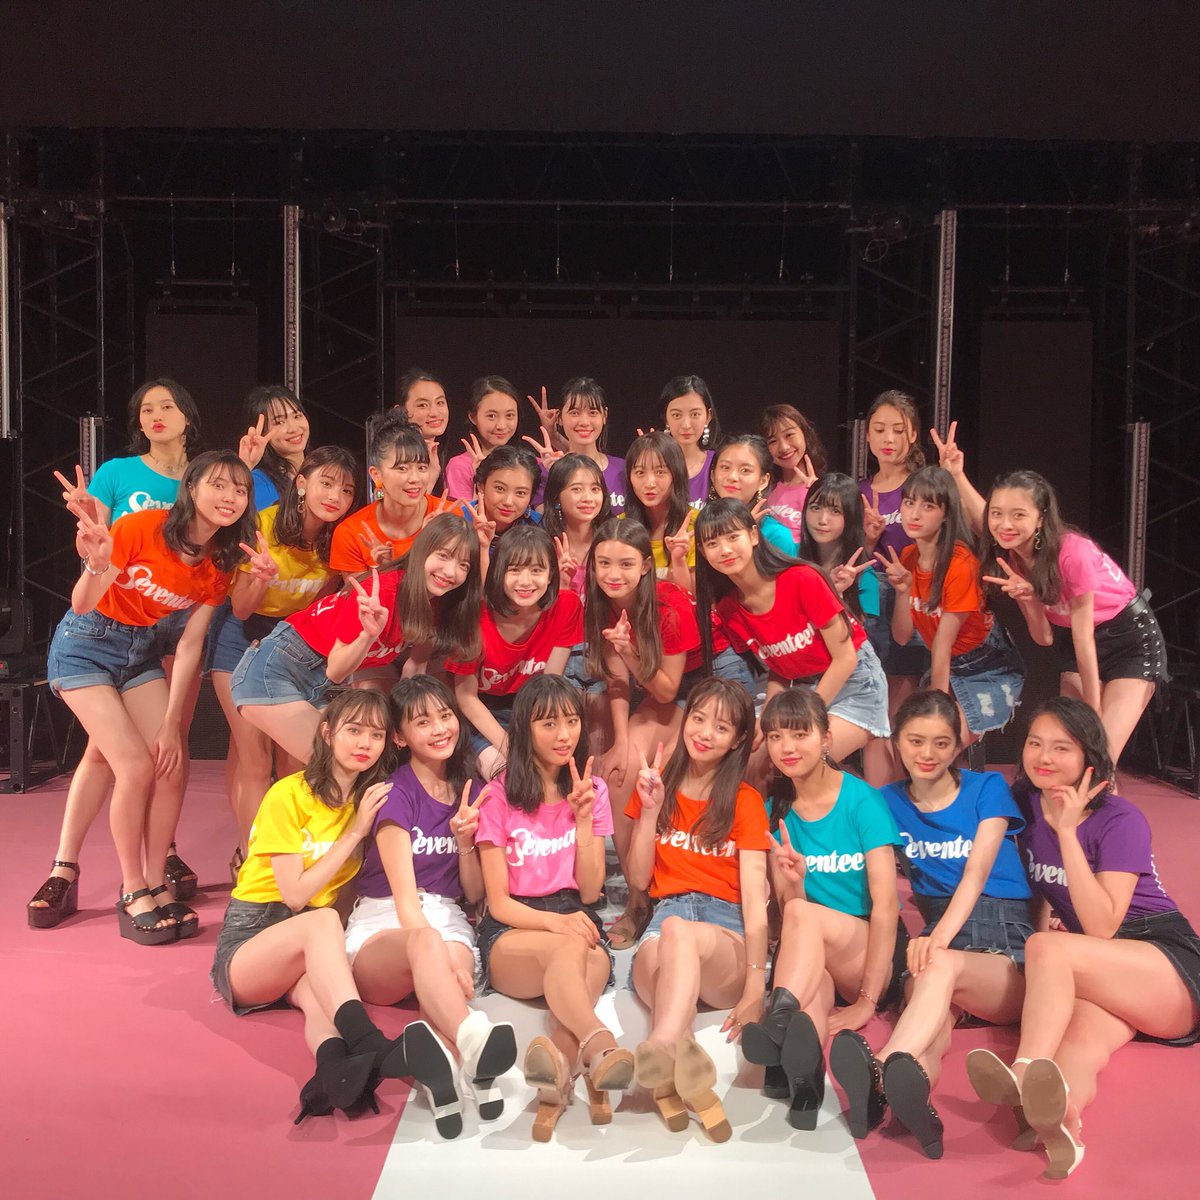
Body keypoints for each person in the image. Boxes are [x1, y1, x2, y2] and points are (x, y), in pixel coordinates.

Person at [966, 697, 1200, 1180]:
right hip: (1105, 969)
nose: (1043, 757)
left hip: (1163, 962)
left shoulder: (1120, 819)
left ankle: (1023, 1070)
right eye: (1034, 743)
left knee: (1046, 947)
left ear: (1089, 758)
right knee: (1076, 1047)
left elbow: (1103, 927)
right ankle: (1062, 1125)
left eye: (1061, 748)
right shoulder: (1027, 805)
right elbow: (1040, 891)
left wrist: (1069, 834)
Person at [35, 451, 256, 942]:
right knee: (134, 767)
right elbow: (81, 604)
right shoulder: (141, 528)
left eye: (240, 490)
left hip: (141, 652)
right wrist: (97, 564)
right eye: (218, 485)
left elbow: (191, 643)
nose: (230, 497)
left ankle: (157, 880)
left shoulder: (221, 561)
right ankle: (132, 888)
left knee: (168, 761)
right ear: (191, 488)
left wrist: (174, 722)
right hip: (86, 646)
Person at [211, 688, 457, 1125]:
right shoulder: (288, 795)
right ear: (327, 733)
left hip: (306, 945)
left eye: (376, 735)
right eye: (354, 731)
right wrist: (355, 832)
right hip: (252, 941)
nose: (365, 743)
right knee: (322, 921)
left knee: (318, 1001)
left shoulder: (367, 799)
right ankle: (371, 1042)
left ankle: (330, 1073)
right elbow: (295, 896)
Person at [31, 379, 206, 923]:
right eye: (146, 409)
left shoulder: (204, 480)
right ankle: (67, 868)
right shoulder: (117, 473)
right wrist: (89, 520)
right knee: (111, 754)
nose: (156, 415)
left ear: (188, 416)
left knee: (167, 751)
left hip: (168, 624)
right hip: (106, 618)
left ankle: (160, 858)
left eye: (167, 406)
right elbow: (98, 549)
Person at [830, 689, 1032, 1159]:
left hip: (1003, 938)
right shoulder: (885, 802)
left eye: (941, 743)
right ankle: (908, 1094)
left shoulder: (987, 788)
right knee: (930, 1029)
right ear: (895, 742)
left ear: (958, 745)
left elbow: (976, 875)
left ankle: (877, 1066)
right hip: (941, 940)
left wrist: (936, 940)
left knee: (934, 970)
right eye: (916, 741)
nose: (927, 754)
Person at [346, 677, 517, 1134]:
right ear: (400, 737)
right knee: (426, 943)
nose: (441, 728)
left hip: (447, 915)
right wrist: (439, 957)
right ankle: (473, 1037)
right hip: (386, 922)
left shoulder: (467, 787)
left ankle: (451, 1084)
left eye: (445, 716)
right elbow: (405, 901)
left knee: (442, 975)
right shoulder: (394, 793)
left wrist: (464, 841)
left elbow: (473, 894)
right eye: (423, 722)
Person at [933, 430, 1168, 764]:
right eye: (998, 514)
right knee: (1071, 755)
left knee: (1099, 756)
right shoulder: (1015, 556)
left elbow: (1085, 639)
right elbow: (1044, 638)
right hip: (1077, 643)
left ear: (1041, 518)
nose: (1005, 524)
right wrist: (957, 474)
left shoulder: (1072, 552)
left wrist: (1093, 713)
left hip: (1130, 641)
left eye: (1019, 515)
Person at [474, 676, 633, 1141]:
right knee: (570, 947)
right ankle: (601, 1043)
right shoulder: (498, 796)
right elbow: (498, 902)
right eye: (549, 724)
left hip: (575, 914)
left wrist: (583, 821)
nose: (565, 735)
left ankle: (558, 1070)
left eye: (572, 721)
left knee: (580, 955)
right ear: (525, 728)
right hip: (514, 927)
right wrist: (556, 924)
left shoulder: (591, 789)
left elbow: (590, 892)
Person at [740, 688, 903, 1133]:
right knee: (808, 992)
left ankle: (775, 1021)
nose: (786, 747)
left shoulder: (862, 801)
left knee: (802, 917)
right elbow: (791, 908)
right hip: (813, 950)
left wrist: (868, 1000)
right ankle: (805, 1083)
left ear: (826, 738)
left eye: (799, 734)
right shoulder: (779, 810)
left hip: (869, 952)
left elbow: (887, 907)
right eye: (775, 736)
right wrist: (793, 882)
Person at [627, 678, 770, 1142]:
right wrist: (650, 810)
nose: (705, 732)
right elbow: (637, 881)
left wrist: (755, 986)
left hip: (723, 936)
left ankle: (661, 1043)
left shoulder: (745, 802)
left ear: (739, 739)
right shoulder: (656, 784)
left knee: (677, 931)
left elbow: (755, 902)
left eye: (722, 727)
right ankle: (684, 1066)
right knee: (670, 931)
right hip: (664, 926)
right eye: (700, 718)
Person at [233, 514, 481, 762]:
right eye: (443, 556)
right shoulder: (383, 591)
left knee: (363, 760)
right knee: (337, 763)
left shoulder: (437, 604)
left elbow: (414, 668)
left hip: (318, 682)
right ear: (422, 551)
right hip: (276, 668)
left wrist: (408, 722)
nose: (451, 572)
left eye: (464, 565)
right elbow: (336, 670)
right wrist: (367, 636)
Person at [210, 446, 357, 854]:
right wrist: (261, 578)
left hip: (295, 644)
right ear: (302, 483)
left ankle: (287, 853)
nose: (336, 496)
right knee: (255, 759)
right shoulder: (262, 525)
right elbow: (240, 609)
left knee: (292, 760)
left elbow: (321, 606)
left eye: (347, 490)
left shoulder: (339, 539)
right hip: (241, 639)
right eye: (327, 483)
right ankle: (252, 860)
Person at [695, 498, 890, 763]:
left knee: (807, 758)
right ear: (703, 551)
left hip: (854, 680)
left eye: (732, 536)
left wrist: (802, 715)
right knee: (754, 761)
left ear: (753, 535)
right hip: (800, 686)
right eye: (712, 543)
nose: (725, 549)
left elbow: (845, 658)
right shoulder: (729, 608)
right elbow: (780, 665)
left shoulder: (801, 578)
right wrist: (766, 719)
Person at [874, 465, 1025, 746]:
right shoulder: (908, 556)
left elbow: (942, 646)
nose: (914, 514)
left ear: (946, 514)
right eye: (909, 503)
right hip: (945, 663)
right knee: (917, 743)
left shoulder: (960, 565)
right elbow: (902, 637)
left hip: (985, 665)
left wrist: (936, 716)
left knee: (939, 742)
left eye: (928, 506)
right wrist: (903, 592)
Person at [446, 525, 582, 776]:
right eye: (515, 570)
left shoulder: (566, 606)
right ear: (499, 572)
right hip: (479, 712)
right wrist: (512, 749)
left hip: (528, 707)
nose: (525, 581)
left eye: (537, 570)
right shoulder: (474, 616)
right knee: (506, 774)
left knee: (554, 771)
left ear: (551, 574)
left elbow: (548, 684)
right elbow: (466, 697)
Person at [859, 390, 931, 784]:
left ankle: (908, 799)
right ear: (867, 436)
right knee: (874, 717)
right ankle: (881, 804)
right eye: (879, 429)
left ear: (913, 435)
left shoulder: (925, 487)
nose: (888, 439)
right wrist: (868, 540)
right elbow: (848, 555)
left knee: (902, 717)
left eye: (898, 430)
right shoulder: (860, 490)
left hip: (912, 601)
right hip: (870, 605)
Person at [330, 413, 461, 576]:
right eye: (402, 468)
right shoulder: (351, 533)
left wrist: (431, 539)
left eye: (422, 468)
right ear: (376, 475)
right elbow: (358, 593)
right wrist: (386, 570)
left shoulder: (449, 516)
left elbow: (458, 586)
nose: (415, 479)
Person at [798, 472, 880, 625]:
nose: (822, 520)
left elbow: (857, 636)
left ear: (851, 516)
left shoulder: (863, 576)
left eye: (835, 511)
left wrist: (835, 594)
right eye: (815, 508)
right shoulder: (789, 557)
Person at [624, 431, 696, 592]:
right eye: (640, 473)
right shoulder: (619, 527)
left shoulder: (696, 525)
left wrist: (678, 559)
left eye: (660, 472)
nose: (650, 483)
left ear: (676, 474)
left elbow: (691, 597)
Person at [708, 433, 797, 554]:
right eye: (725, 467)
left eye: (745, 470)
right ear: (713, 475)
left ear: (763, 481)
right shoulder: (703, 526)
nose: (732, 477)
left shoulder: (776, 536)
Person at [541, 453, 612, 597]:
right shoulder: (542, 548)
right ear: (556, 496)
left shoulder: (614, 542)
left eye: (595, 489)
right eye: (576, 489)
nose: (588, 498)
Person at [443, 376, 522, 502]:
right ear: (472, 417)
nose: (501, 426)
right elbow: (460, 513)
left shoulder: (528, 464)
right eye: (491, 416)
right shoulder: (460, 466)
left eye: (509, 415)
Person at [237, 384, 311, 510]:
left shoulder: (322, 473)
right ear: (262, 432)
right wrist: (245, 466)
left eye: (297, 416)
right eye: (279, 422)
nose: (293, 428)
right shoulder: (257, 483)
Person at [760, 402, 827, 538]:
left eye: (789, 435)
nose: (783, 447)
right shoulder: (763, 489)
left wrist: (821, 495)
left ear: (805, 433)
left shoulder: (825, 489)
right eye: (773, 441)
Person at [658, 375, 721, 505]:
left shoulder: (720, 464)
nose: (686, 424)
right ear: (666, 418)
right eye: (676, 415)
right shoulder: (653, 464)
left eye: (695, 414)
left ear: (708, 416)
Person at [395, 367, 451, 491]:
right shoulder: (394, 459)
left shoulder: (446, 455)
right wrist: (430, 480)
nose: (435, 413)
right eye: (422, 405)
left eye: (440, 403)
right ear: (400, 411)